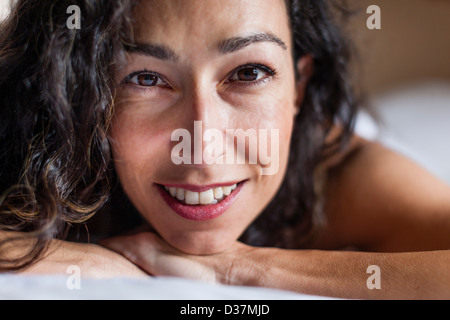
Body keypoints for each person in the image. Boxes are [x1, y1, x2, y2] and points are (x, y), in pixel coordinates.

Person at [0, 0, 449, 299]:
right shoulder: (36, 137)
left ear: (299, 85)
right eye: (146, 78)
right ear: (83, 90)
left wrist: (238, 269)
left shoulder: (342, 170)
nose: (202, 147)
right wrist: (87, 261)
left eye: (250, 72)